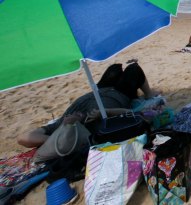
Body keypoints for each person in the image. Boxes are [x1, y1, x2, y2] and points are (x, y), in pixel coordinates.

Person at [17, 62, 159, 148]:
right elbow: (130, 115)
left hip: (100, 90)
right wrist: (107, 112)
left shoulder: (61, 124)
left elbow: (23, 138)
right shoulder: (92, 129)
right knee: (133, 69)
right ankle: (149, 94)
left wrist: (58, 135)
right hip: (120, 94)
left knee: (115, 68)